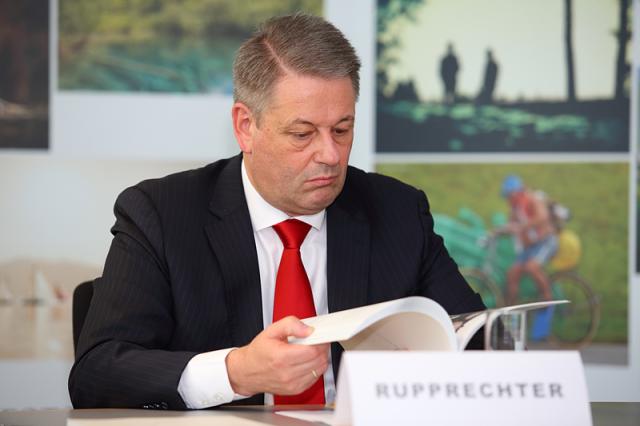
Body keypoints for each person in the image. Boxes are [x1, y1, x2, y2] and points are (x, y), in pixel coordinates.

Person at [68, 13, 485, 410]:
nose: (330, 154)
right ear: (246, 126)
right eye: (302, 134)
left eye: (342, 129)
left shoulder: (397, 211)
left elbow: (476, 339)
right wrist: (235, 373)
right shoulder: (161, 214)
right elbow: (97, 372)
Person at [498, 175, 558, 309]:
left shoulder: (532, 199)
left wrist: (523, 226)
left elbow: (543, 217)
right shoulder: (514, 209)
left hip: (545, 242)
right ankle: (510, 308)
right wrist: (497, 232)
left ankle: (548, 298)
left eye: (508, 196)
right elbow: (510, 226)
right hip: (529, 247)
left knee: (531, 267)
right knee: (512, 273)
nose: (507, 200)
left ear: (515, 193)